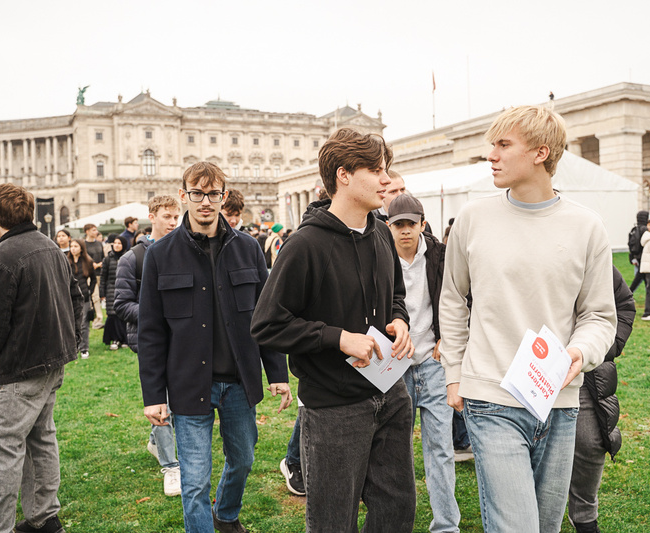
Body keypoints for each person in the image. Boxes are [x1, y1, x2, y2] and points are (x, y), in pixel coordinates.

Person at [439, 105, 617, 533]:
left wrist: (579, 351)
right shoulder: (471, 219)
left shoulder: (587, 227)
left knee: (546, 528)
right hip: (491, 398)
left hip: (559, 401)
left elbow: (599, 315)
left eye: (503, 145)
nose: (491, 155)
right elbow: (452, 299)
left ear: (540, 152)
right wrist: (453, 375)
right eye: (492, 145)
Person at [251, 127, 416, 533]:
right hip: (333, 409)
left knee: (397, 513)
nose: (386, 180)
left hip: (391, 394)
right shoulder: (305, 244)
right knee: (332, 523)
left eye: (387, 170)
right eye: (376, 170)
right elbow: (267, 324)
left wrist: (399, 321)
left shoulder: (381, 231)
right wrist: (338, 338)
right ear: (343, 175)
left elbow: (395, 292)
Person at [138, 162, 291, 533]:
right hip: (190, 385)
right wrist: (153, 396)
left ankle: (225, 514)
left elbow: (265, 315)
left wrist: (277, 374)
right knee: (194, 483)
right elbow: (151, 332)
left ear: (223, 197)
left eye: (213, 194)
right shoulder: (159, 255)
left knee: (243, 460)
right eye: (197, 193)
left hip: (239, 381)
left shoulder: (248, 249)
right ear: (183, 195)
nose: (205, 202)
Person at [0, 183, 83, 533]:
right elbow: (76, 298)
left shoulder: (1, 257)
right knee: (41, 439)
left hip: (18, 369)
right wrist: (72, 344)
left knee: (3, 452)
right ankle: (44, 516)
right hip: (51, 362)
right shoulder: (50, 246)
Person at [387, 194, 460, 533]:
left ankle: (446, 526)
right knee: (395, 453)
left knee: (441, 449)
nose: (405, 231)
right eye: (398, 224)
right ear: (389, 226)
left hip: (433, 363)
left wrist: (447, 335)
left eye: (410, 224)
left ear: (422, 224)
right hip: (396, 365)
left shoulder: (441, 256)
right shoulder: (379, 258)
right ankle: (399, 522)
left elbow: (460, 298)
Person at [114, 195, 182, 497]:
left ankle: (157, 442)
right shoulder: (132, 258)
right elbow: (121, 305)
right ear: (151, 216)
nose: (172, 222)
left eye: (175, 216)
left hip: (183, 340)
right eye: (167, 216)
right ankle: (171, 466)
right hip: (150, 341)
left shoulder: (184, 250)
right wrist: (157, 313)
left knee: (178, 399)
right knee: (163, 401)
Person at [568, 266, 635, 533]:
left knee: (590, 441)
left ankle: (584, 516)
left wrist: (601, 349)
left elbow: (623, 304)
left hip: (584, 371)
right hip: (530, 368)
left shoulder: (588, 244)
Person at [68, 239, 97, 358]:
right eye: (71, 246)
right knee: (70, 323)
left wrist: (89, 290)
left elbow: (94, 278)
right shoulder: (66, 260)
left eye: (76, 246)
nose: (73, 248)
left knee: (84, 324)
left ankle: (84, 348)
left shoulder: (88, 261)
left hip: (84, 296)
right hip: (69, 296)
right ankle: (73, 347)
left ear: (81, 248)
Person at [101, 235, 127, 350]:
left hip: (124, 289)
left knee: (123, 315)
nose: (116, 245)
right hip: (111, 290)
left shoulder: (127, 257)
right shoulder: (107, 259)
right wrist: (102, 293)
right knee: (112, 316)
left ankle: (124, 339)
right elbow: (103, 277)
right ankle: (114, 339)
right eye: (115, 243)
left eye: (119, 243)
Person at [83, 224, 105, 329]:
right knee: (94, 296)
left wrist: (100, 264)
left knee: (98, 296)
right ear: (87, 231)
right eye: (93, 230)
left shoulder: (99, 244)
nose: (96, 232)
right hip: (90, 274)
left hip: (100, 272)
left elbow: (103, 257)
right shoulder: (83, 244)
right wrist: (92, 265)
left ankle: (96, 318)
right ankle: (97, 319)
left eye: (96, 230)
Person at [627, 210, 649, 293]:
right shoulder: (644, 229)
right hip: (643, 257)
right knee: (641, 276)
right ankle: (629, 292)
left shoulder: (634, 229)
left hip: (636, 256)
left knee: (642, 276)